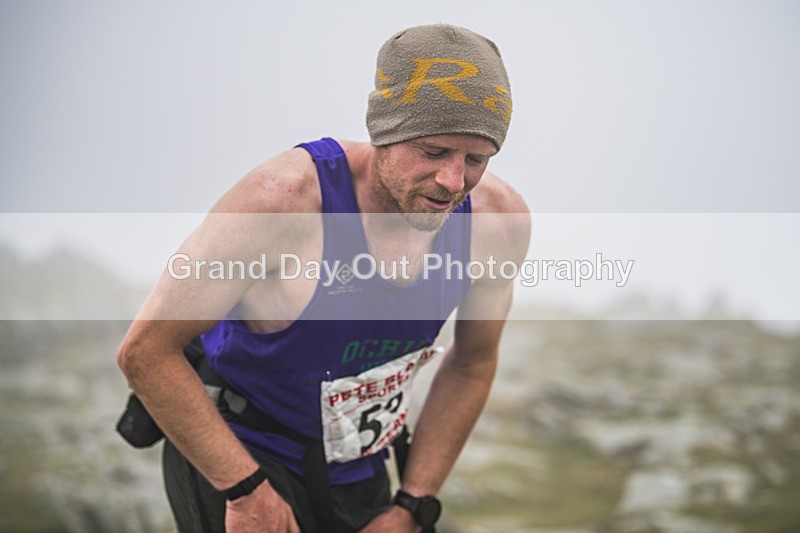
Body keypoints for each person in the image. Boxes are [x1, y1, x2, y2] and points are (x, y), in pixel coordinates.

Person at [117, 23, 529, 533]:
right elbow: (147, 350)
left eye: (476, 159)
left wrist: (414, 505)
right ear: (386, 130)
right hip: (241, 453)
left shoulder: (496, 223)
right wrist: (246, 493)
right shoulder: (282, 201)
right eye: (433, 151)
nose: (453, 181)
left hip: (362, 465)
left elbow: (472, 362)